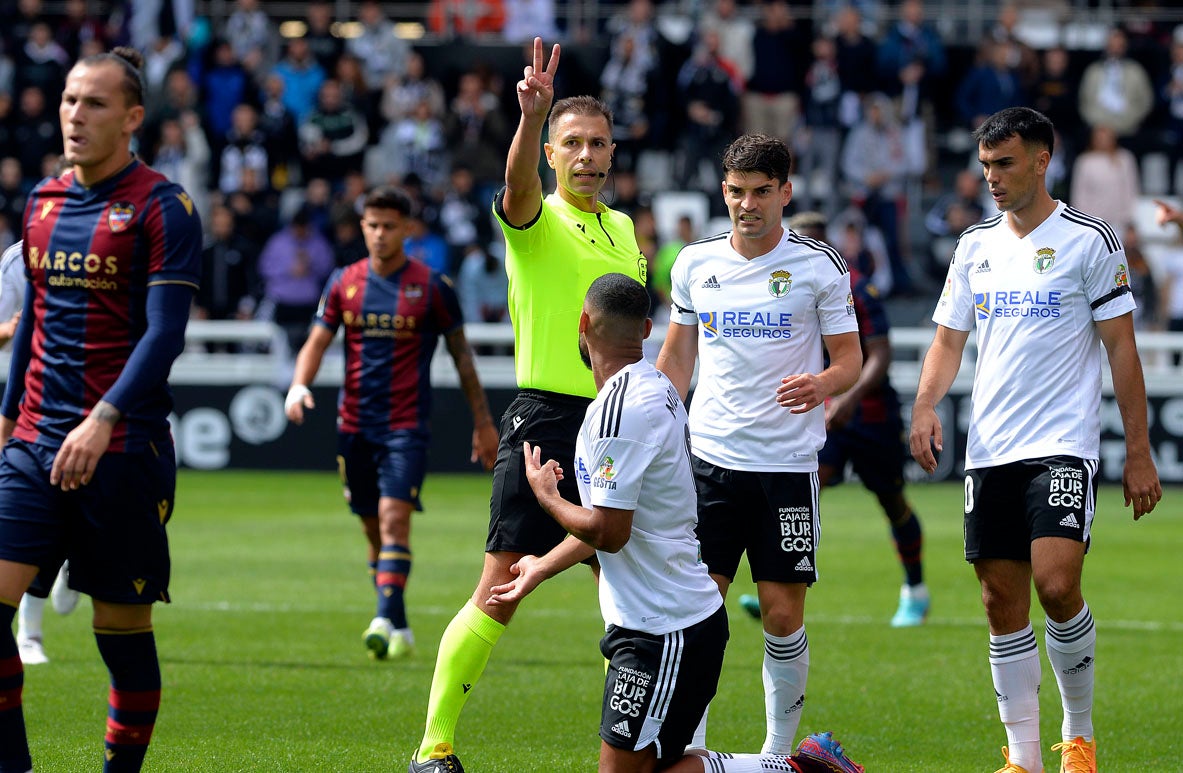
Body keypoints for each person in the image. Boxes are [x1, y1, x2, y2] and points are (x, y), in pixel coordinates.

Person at [488, 273, 863, 773]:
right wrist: (543, 567)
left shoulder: (619, 413)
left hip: (663, 633)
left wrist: (548, 497)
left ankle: (800, 768)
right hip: (668, 623)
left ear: (582, 325)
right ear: (646, 329)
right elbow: (626, 520)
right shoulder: (656, 390)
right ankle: (805, 767)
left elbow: (609, 532)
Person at [409, 38, 648, 772]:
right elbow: (512, 188)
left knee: (633, 598)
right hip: (546, 418)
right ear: (550, 154)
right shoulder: (537, 219)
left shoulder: (624, 230)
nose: (584, 155)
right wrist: (528, 118)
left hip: (618, 418)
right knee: (502, 585)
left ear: (612, 152)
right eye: (569, 144)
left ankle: (632, 748)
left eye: (596, 143)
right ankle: (434, 745)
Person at [909, 107, 1162, 773]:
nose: (990, 176)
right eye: (985, 164)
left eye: (1005, 163)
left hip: (1061, 444)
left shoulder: (1088, 239)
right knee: (999, 600)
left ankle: (1076, 738)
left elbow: (1122, 350)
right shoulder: (974, 247)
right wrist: (925, 402)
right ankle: (1021, 756)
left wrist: (1136, 450)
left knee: (1055, 583)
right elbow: (946, 339)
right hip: (989, 448)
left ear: (1042, 160)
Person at [0, 47, 202, 772]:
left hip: (123, 453)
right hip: (33, 441)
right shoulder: (41, 202)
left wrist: (105, 415)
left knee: (121, 634)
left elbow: (165, 331)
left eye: (93, 103)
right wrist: (4, 421)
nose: (75, 115)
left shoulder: (163, 206)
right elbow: (31, 322)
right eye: (68, 100)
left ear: (132, 118)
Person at [655, 133, 862, 754]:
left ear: (785, 192)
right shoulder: (695, 263)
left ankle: (776, 756)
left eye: (761, 192)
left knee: (781, 615)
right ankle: (688, 747)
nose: (747, 204)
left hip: (786, 469)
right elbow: (676, 359)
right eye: (737, 192)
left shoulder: (819, 266)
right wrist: (654, 426)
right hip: (708, 466)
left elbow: (851, 360)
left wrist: (822, 382)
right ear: (724, 191)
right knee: (696, 612)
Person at [284, 185, 498, 660]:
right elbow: (317, 341)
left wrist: (483, 423)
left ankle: (382, 618)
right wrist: (299, 385)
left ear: (407, 229)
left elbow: (463, 359)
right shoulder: (344, 282)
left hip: (406, 425)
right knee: (371, 530)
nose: (379, 235)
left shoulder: (433, 287)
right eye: (372, 226)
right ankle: (397, 619)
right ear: (362, 227)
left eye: (389, 226)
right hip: (353, 424)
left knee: (394, 519)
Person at [775, 211, 929, 628]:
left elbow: (880, 353)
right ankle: (782, 589)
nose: (808, 251)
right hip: (820, 414)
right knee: (803, 494)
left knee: (891, 501)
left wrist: (847, 396)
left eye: (817, 243)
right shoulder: (782, 286)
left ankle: (915, 591)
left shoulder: (857, 287)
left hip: (871, 415)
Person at [1, 238, 81, 666]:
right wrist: (11, 331)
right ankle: (28, 632)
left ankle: (77, 557)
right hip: (35, 405)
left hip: (97, 400)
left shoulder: (121, 244)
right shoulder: (19, 259)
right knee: (33, 513)